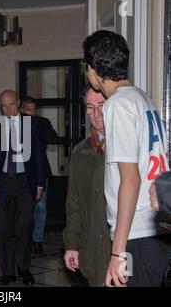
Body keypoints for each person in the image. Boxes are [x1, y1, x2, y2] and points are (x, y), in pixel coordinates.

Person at [83, 30, 170, 287]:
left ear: (92, 69)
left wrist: (117, 251)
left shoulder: (118, 104)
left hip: (137, 232)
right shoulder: (142, 98)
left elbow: (130, 179)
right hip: (152, 228)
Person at [0, 89, 44, 286]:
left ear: (18, 103)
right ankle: (7, 272)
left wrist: (39, 184)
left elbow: (38, 156)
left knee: (24, 226)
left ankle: (23, 268)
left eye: (11, 104)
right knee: (4, 228)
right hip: (2, 182)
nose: (7, 109)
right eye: (3, 106)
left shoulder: (33, 124)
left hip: (24, 182)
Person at [63, 86, 111, 287]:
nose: (96, 114)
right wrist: (72, 244)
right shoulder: (80, 152)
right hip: (92, 250)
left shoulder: (129, 146)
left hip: (121, 249)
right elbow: (74, 204)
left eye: (101, 106)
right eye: (90, 108)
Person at [21, 96, 60, 256]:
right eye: (27, 110)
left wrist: (37, 125)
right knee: (22, 209)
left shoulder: (41, 122)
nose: (31, 113)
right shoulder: (15, 122)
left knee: (40, 207)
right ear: (21, 109)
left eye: (33, 109)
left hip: (40, 171)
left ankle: (37, 240)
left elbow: (53, 139)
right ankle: (23, 240)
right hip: (21, 171)